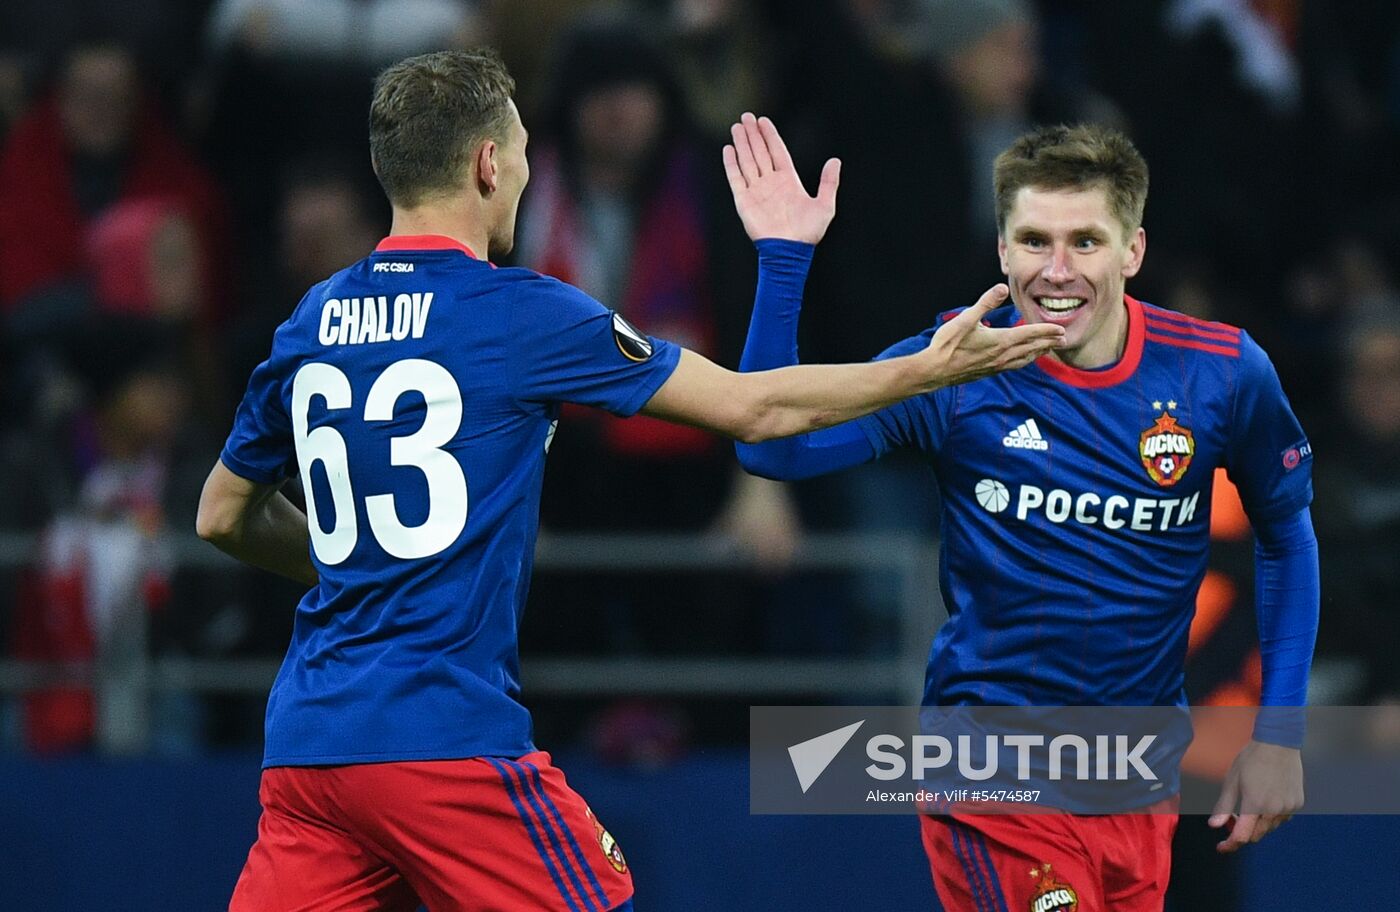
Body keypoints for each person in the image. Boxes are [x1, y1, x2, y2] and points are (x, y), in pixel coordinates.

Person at [194, 49, 1063, 912]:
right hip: (442, 740)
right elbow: (754, 410)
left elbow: (222, 514)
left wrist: (357, 575)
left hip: (308, 750)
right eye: (526, 151)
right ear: (489, 163)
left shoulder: (311, 319)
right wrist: (924, 371)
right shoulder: (521, 312)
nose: (531, 173)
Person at [733, 119, 1320, 910]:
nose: (1058, 271)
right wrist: (783, 258)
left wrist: (1279, 733)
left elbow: (1287, 534)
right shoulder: (953, 365)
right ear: (1002, 252)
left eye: (1086, 242)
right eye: (1035, 241)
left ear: (1133, 251)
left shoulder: (1221, 374)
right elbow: (773, 450)